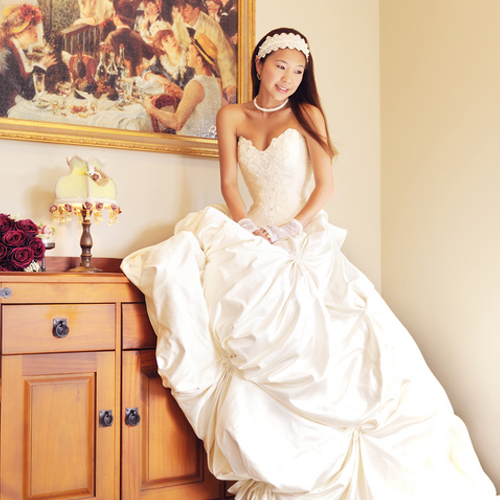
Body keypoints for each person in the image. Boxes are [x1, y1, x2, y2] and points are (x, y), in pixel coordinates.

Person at [121, 28, 498, 500]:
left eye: (298, 71)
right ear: (259, 64)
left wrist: (290, 229)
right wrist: (246, 227)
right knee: (240, 333)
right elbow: (229, 184)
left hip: (298, 237)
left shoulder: (308, 114)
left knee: (330, 345)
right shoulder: (230, 115)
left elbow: (324, 187)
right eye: (281, 66)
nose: (289, 78)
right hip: (252, 234)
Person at [143, 31, 221, 138]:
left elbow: (177, 123)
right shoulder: (214, 81)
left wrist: (150, 109)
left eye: (191, 52)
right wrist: (182, 94)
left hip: (190, 140)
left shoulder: (195, 84)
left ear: (199, 60)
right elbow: (201, 105)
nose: (187, 54)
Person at [173, 0, 236, 103]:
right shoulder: (179, 21)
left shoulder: (212, 27)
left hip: (209, 73)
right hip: (187, 71)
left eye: (186, 9)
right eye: (180, 10)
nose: (182, 13)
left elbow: (225, 57)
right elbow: (174, 45)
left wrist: (228, 84)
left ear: (196, 10)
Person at [0, 3, 57, 117]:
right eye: (29, 29)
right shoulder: (7, 56)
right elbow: (27, 93)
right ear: (17, 34)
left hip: (19, 104)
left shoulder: (21, 50)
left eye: (34, 27)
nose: (35, 31)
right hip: (7, 112)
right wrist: (41, 66)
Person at [103, 0, 155, 76]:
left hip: (120, 79)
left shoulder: (112, 36)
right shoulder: (137, 36)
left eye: (113, 13)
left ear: (117, 17)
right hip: (136, 79)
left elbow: (106, 62)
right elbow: (152, 54)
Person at [142, 24, 194, 97]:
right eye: (166, 40)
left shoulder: (189, 54)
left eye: (171, 36)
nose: (171, 40)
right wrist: (157, 78)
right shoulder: (162, 61)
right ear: (162, 47)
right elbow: (145, 72)